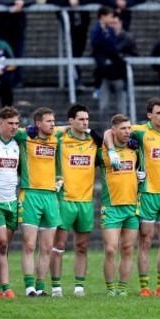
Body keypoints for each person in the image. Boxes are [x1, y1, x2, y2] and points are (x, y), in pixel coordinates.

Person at [103, 97, 160, 297]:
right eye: (159, 113)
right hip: (147, 194)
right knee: (145, 241)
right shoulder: (138, 130)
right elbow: (108, 132)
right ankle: (145, 287)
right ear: (149, 115)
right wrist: (111, 151)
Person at [50, 104, 101, 297]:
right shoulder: (61, 139)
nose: (85, 122)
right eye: (81, 119)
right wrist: (64, 127)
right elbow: (47, 129)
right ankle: (56, 287)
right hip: (66, 199)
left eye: (87, 119)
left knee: (82, 246)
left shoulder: (94, 141)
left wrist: (97, 135)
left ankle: (79, 287)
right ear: (71, 121)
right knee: (59, 245)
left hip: (86, 201)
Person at [13, 107, 62, 297]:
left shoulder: (56, 138)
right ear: (38, 124)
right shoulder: (25, 137)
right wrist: (26, 129)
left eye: (53, 121)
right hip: (30, 194)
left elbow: (69, 128)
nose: (52, 124)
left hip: (50, 196)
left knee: (47, 246)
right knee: (29, 245)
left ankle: (41, 287)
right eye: (48, 121)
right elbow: (1, 129)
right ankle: (29, 287)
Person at [97, 114, 140, 296]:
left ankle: (122, 289)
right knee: (110, 249)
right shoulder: (104, 151)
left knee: (128, 249)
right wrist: (112, 149)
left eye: (129, 128)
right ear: (114, 130)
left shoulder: (135, 150)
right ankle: (110, 289)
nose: (127, 131)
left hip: (131, 206)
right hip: (112, 207)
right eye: (123, 128)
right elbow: (105, 133)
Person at [0, 106, 20, 299]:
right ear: (0, 124)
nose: (14, 127)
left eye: (16, 123)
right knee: (1, 242)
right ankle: (7, 288)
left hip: (11, 201)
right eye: (10, 124)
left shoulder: (18, 142)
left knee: (3, 247)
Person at [47, 0, 98, 88]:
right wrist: (68, 2)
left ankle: (76, 78)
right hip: (69, 25)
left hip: (82, 25)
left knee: (79, 51)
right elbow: (50, 0)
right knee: (72, 51)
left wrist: (79, 1)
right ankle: (75, 80)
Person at [0, 0, 34, 87]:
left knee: (19, 54)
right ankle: (6, 79)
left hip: (18, 30)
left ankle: (19, 80)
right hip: (5, 30)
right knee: (5, 55)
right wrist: (15, 2)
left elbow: (32, 0)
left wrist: (23, 3)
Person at [91, 6, 127, 121]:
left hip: (109, 51)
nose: (112, 19)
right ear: (103, 16)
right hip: (100, 53)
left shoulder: (109, 29)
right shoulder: (96, 29)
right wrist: (104, 38)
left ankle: (125, 80)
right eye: (110, 16)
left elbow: (112, 42)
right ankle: (97, 87)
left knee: (121, 62)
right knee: (101, 67)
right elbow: (95, 42)